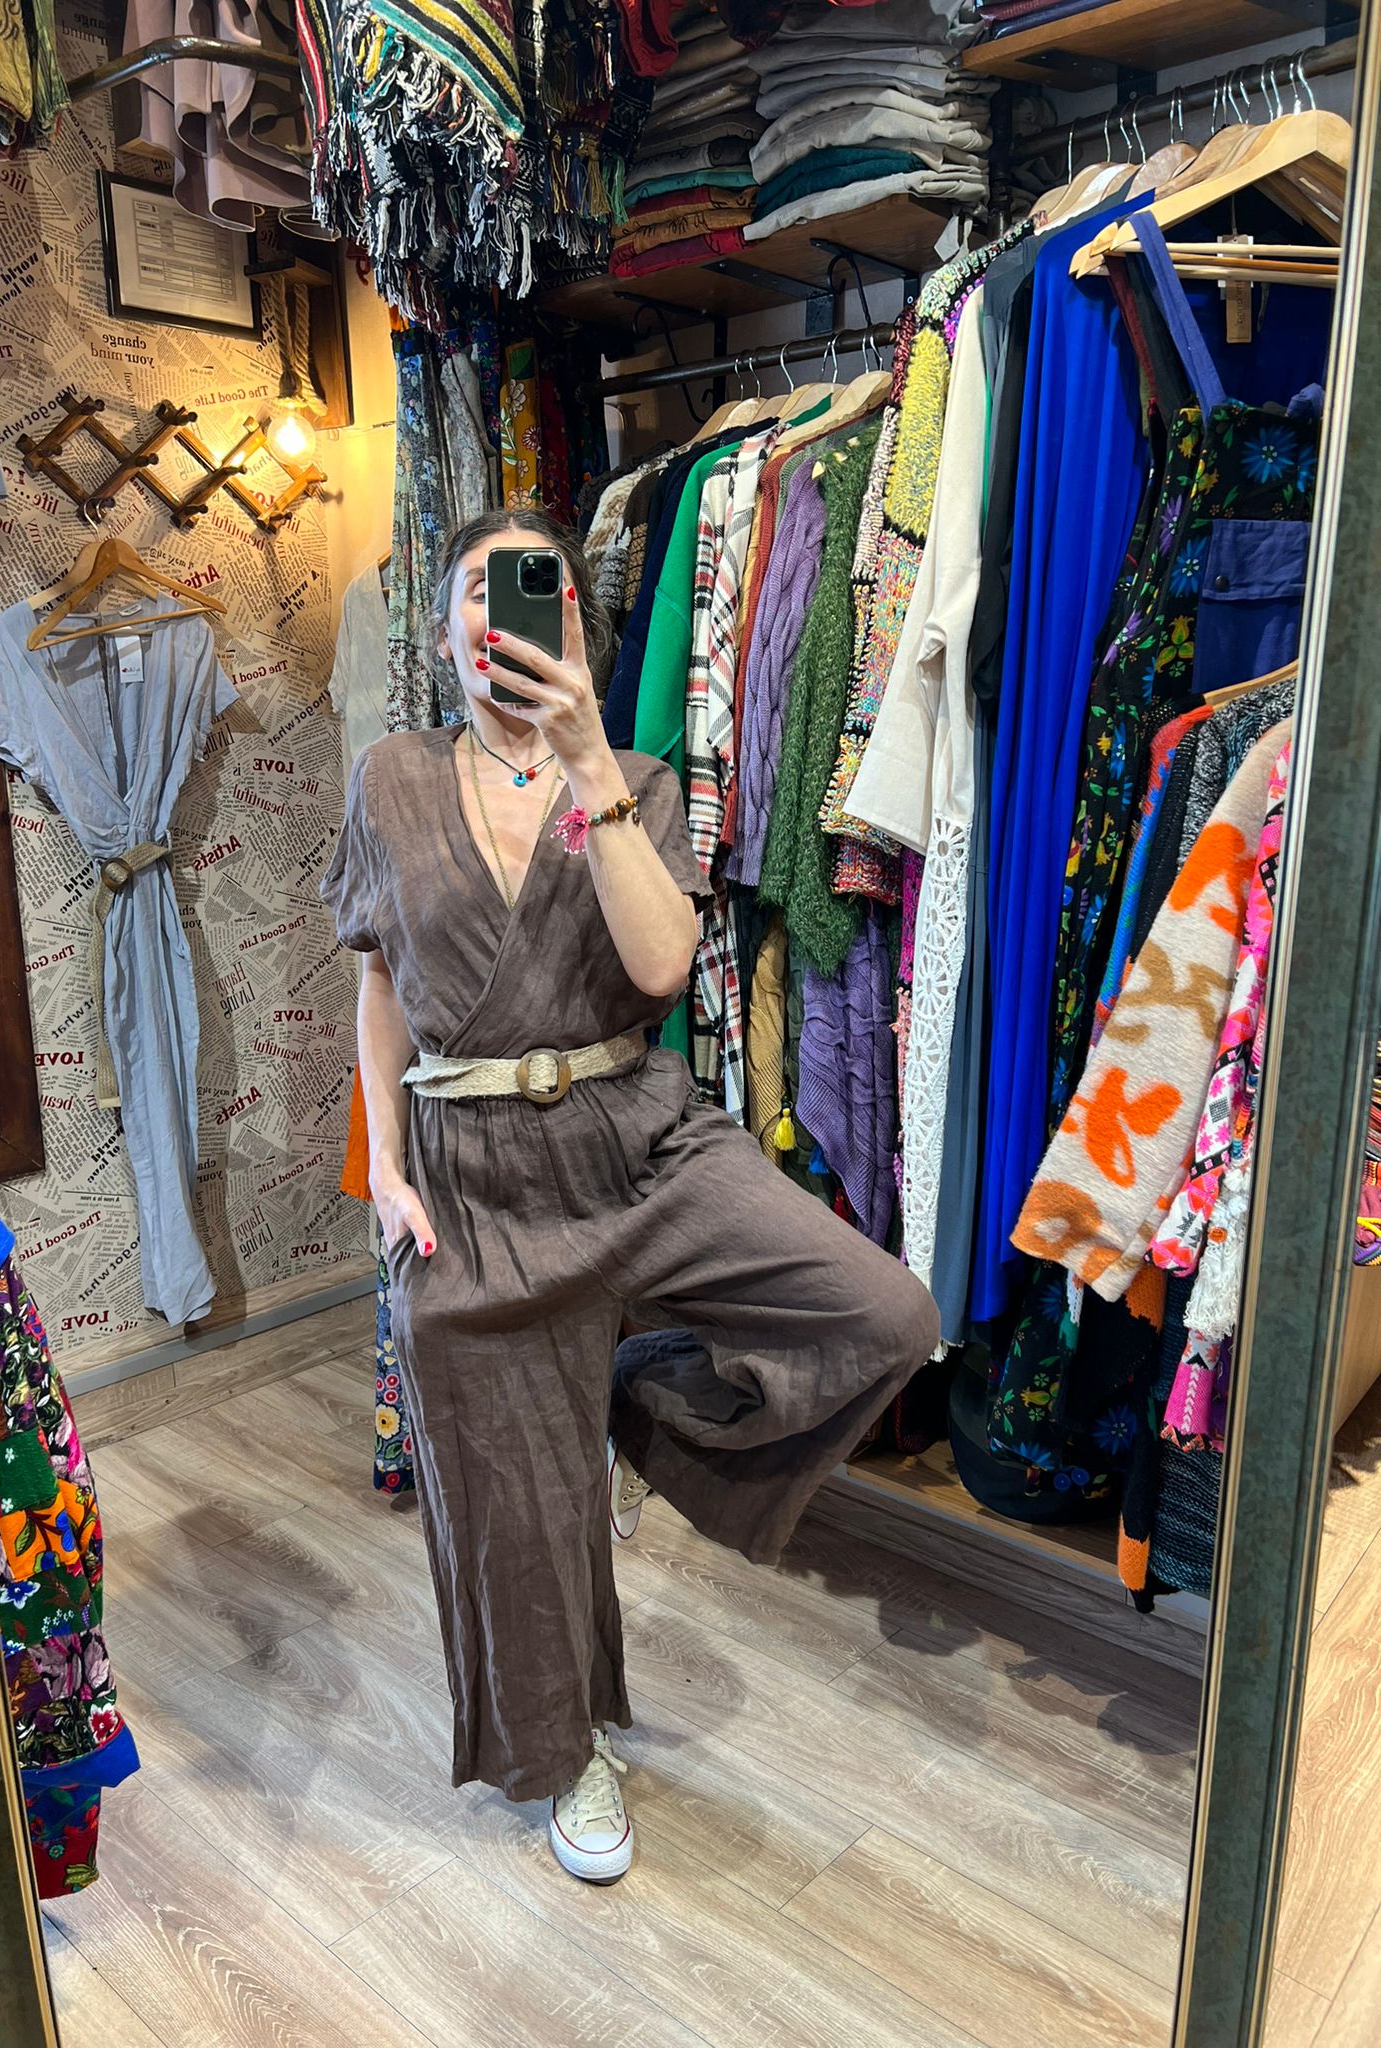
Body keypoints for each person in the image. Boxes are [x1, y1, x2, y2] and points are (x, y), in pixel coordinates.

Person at [321, 508, 938, 1885]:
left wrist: (589, 759)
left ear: (578, 630)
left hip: (636, 1139)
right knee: (512, 1506)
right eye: (481, 595)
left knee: (882, 1316)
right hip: (473, 1178)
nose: (507, 619)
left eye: (537, 593)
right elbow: (377, 980)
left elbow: (660, 968)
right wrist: (389, 1172)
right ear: (443, 634)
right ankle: (566, 1755)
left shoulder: (641, 779)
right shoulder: (390, 778)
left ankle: (616, 1401)